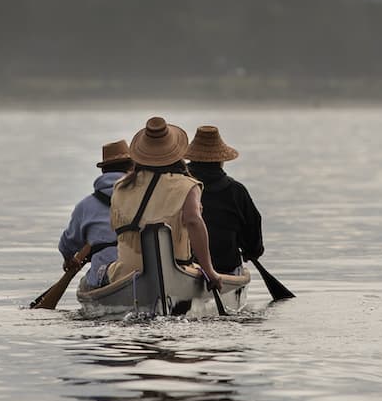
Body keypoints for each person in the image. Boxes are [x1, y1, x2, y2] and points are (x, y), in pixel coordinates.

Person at [106, 116, 222, 292]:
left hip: (126, 274)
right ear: (176, 153)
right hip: (177, 270)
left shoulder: (121, 186)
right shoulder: (187, 185)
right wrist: (209, 271)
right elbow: (193, 221)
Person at [184, 124, 265, 274]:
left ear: (191, 159)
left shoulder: (180, 186)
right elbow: (253, 228)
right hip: (226, 266)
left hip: (186, 265)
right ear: (221, 161)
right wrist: (251, 253)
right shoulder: (236, 191)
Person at [59, 139, 129, 290]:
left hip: (103, 276)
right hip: (141, 269)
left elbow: (67, 244)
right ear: (132, 168)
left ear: (103, 171)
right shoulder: (146, 198)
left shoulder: (86, 206)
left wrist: (69, 260)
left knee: (84, 285)